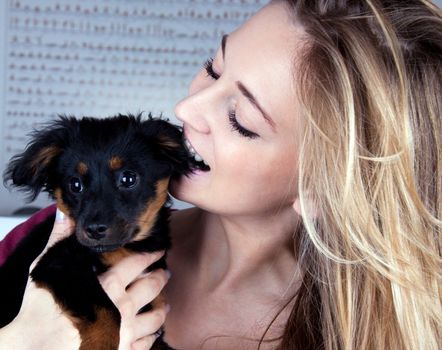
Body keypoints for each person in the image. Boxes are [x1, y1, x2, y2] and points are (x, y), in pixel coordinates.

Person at [0, 0, 441, 349]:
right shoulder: (49, 240)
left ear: (324, 188)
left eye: (240, 119)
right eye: (213, 67)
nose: (186, 109)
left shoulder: (362, 333)